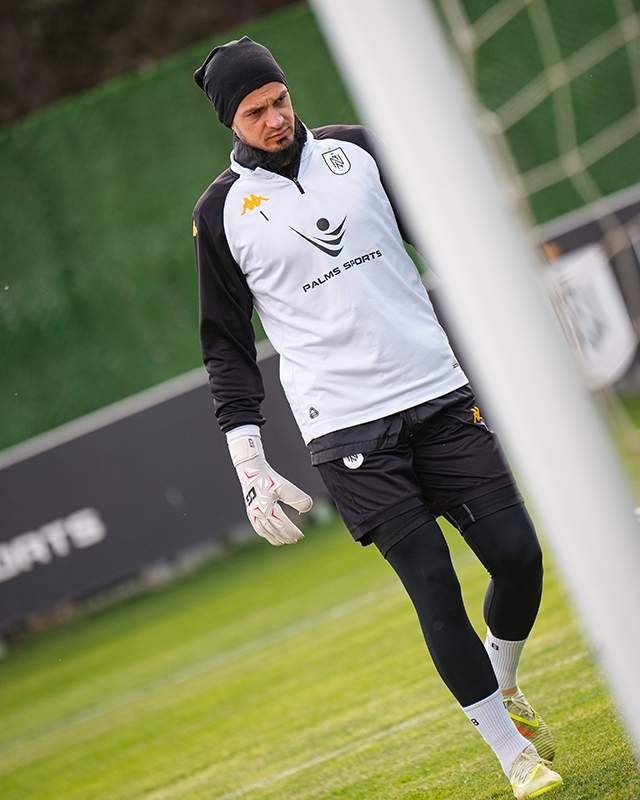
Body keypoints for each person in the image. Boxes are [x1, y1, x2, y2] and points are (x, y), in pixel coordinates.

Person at [192, 36, 563, 799]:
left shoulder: (356, 152)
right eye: (256, 111)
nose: (275, 118)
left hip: (438, 393)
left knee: (519, 556)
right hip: (346, 428)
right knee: (432, 583)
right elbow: (225, 346)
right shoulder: (220, 213)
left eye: (280, 100)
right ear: (231, 120)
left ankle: (501, 681)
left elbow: (447, 232)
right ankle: (515, 759)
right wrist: (249, 463)